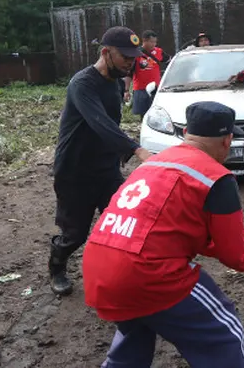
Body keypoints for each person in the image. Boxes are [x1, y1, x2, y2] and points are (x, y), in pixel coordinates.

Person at [82, 101, 244, 368]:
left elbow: (172, 230)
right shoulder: (218, 178)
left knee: (133, 336)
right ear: (227, 140)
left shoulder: (151, 165)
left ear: (187, 132)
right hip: (149, 275)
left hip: (100, 269)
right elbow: (234, 256)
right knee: (225, 336)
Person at [48, 26, 153, 296]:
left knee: (121, 222)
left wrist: (119, 154)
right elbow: (100, 123)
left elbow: (113, 125)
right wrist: (137, 150)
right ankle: (57, 265)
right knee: (75, 234)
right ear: (106, 53)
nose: (130, 63)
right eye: (125, 57)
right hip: (75, 170)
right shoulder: (82, 84)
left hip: (106, 169)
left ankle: (120, 275)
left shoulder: (117, 82)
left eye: (133, 58)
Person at [124, 30, 164, 120]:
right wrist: (126, 90)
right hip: (141, 90)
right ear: (144, 40)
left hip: (156, 89)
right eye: (151, 42)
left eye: (155, 42)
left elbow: (170, 62)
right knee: (144, 116)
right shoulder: (136, 54)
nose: (154, 44)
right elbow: (129, 73)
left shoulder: (159, 52)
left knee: (158, 114)